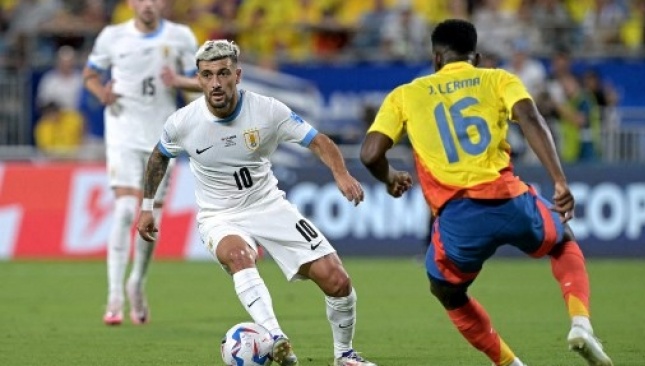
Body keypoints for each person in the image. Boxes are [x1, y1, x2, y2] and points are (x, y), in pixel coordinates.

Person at [360, 19, 613, 366]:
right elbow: (530, 117)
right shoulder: (498, 78)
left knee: (446, 289)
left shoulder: (405, 94)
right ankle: (581, 324)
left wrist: (390, 178)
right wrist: (559, 179)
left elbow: (370, 154)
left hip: (458, 217)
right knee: (563, 241)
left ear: (436, 58)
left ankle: (509, 363)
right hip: (509, 199)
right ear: (475, 57)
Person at [136, 40, 376, 366]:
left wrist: (341, 174)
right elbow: (159, 156)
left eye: (223, 73)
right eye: (207, 75)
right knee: (238, 255)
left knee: (336, 279)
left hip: (269, 205)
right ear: (199, 79)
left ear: (238, 75)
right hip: (220, 215)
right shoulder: (183, 122)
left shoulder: (267, 110)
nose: (216, 83)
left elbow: (318, 141)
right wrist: (148, 206)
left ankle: (344, 355)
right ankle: (277, 338)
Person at [82, 0, 200, 326]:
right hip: (121, 132)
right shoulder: (112, 36)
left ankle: (137, 282)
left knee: (151, 220)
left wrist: (179, 81)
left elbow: (201, 81)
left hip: (161, 139)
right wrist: (100, 93)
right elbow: (90, 74)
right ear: (132, 3)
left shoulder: (181, 37)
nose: (148, 4)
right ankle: (114, 296)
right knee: (122, 211)